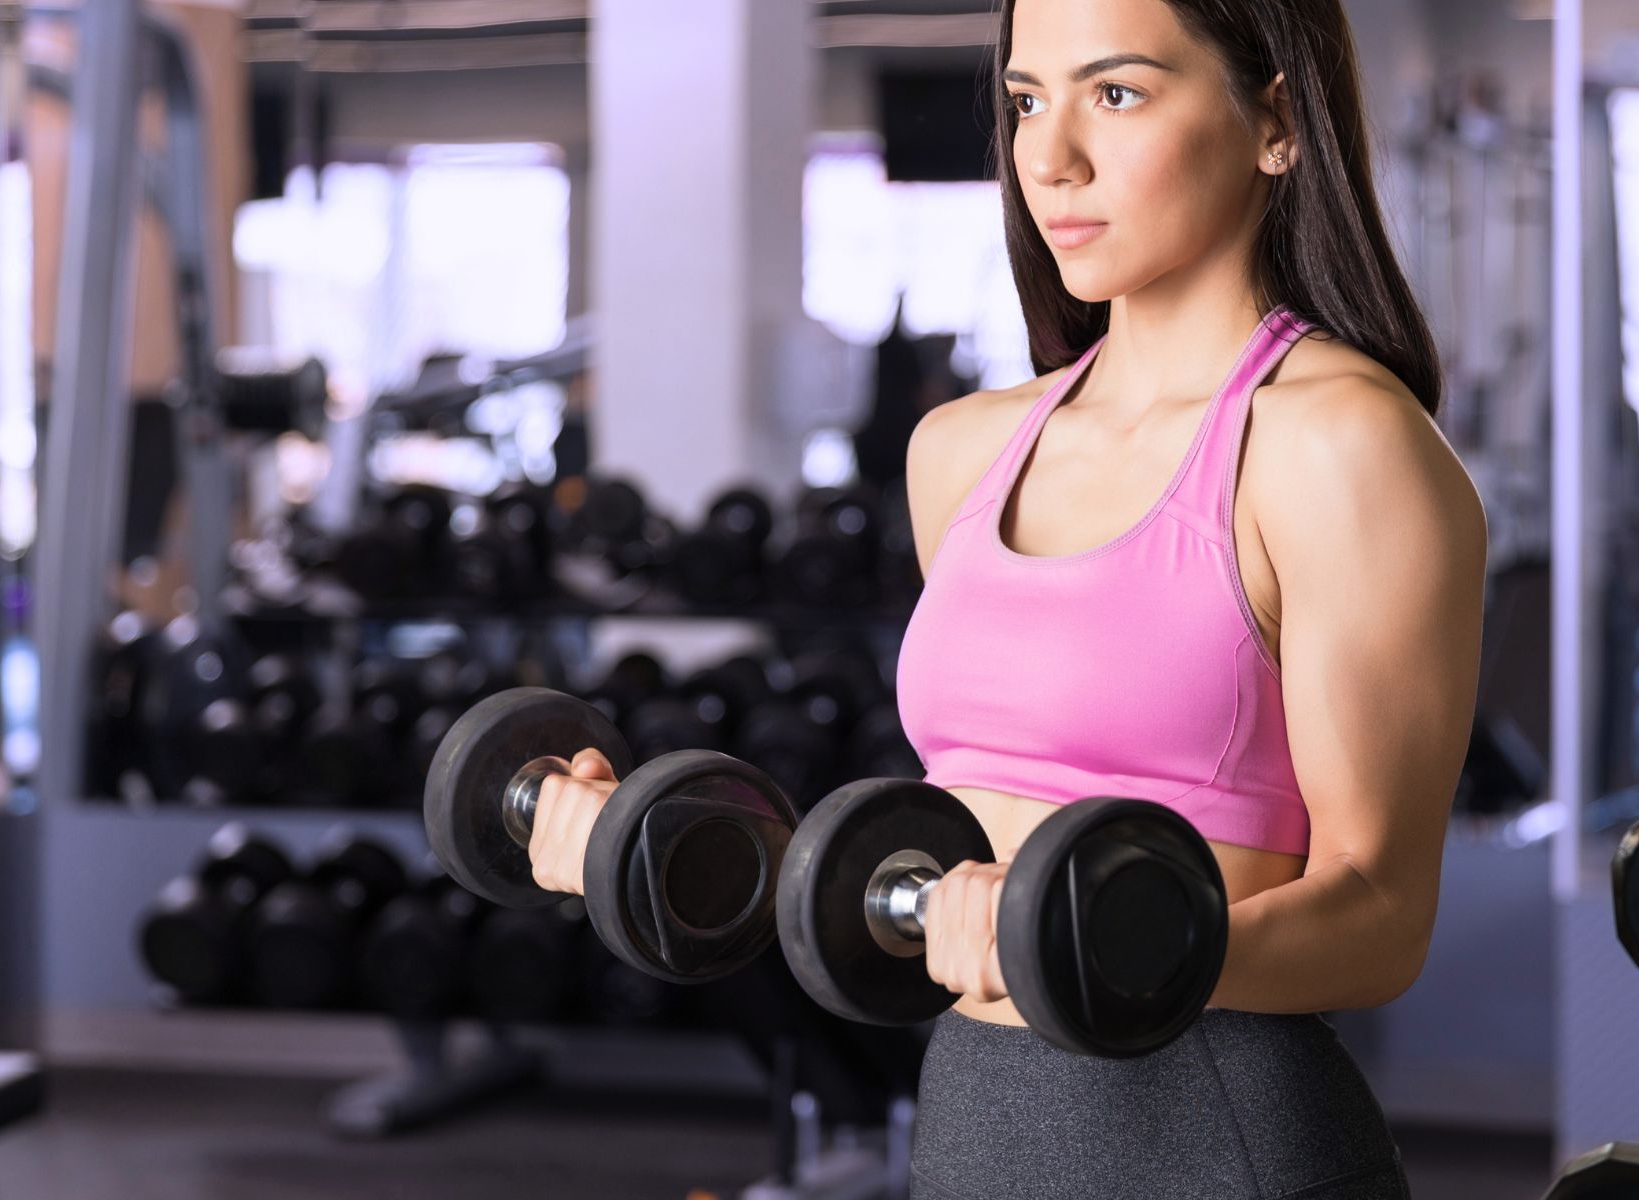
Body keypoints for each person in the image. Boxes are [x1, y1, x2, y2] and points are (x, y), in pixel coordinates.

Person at [528, 0, 1485, 1195]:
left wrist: (1072, 944)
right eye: (1028, 99)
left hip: (1212, 1132)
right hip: (978, 1118)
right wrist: (651, 844)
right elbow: (925, 873)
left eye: (1117, 94)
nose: (1050, 155)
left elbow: (1380, 915)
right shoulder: (963, 452)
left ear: (1277, 121)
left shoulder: (1337, 445)